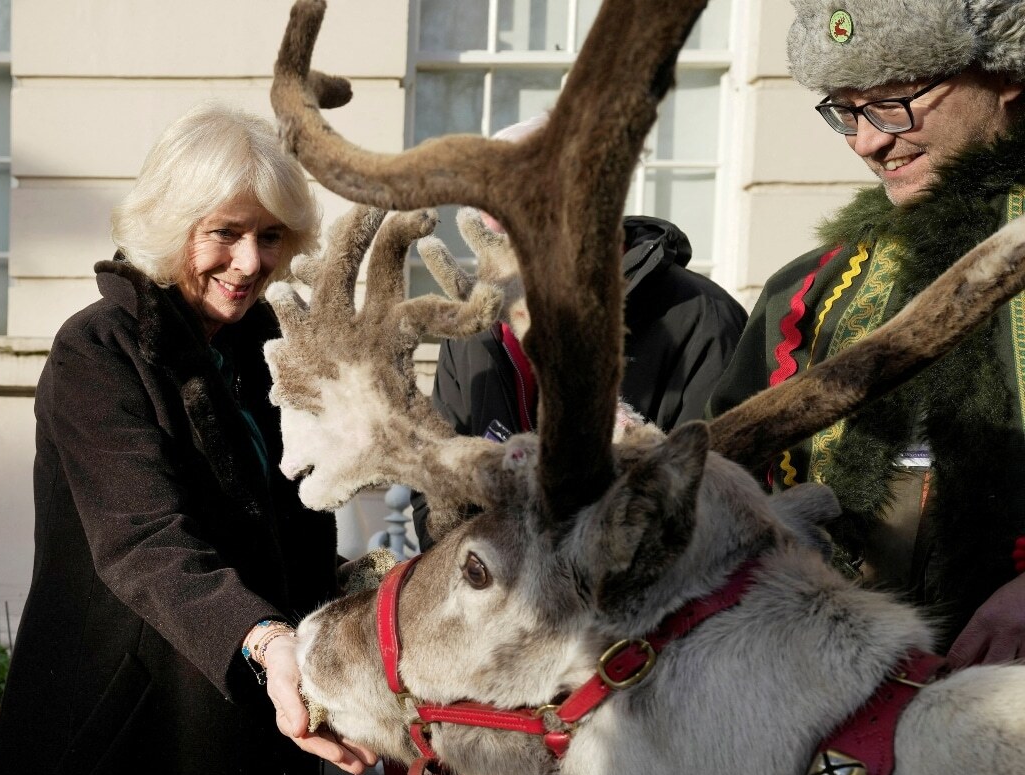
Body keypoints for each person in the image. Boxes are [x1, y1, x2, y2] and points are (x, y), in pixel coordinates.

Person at [0, 102, 376, 775]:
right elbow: (144, 540)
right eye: (224, 233)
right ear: (171, 227)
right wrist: (266, 638)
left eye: (271, 235)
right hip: (128, 731)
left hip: (254, 719)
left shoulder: (267, 349)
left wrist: (363, 593)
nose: (251, 261)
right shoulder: (98, 349)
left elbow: (282, 531)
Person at [708, 0, 1025, 665]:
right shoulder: (808, 291)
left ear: (1004, 74)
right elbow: (721, 494)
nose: (866, 142)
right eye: (845, 111)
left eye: (892, 100)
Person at [412, 114, 748, 549]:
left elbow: (716, 501)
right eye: (491, 216)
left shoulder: (702, 317)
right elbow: (434, 492)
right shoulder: (476, 327)